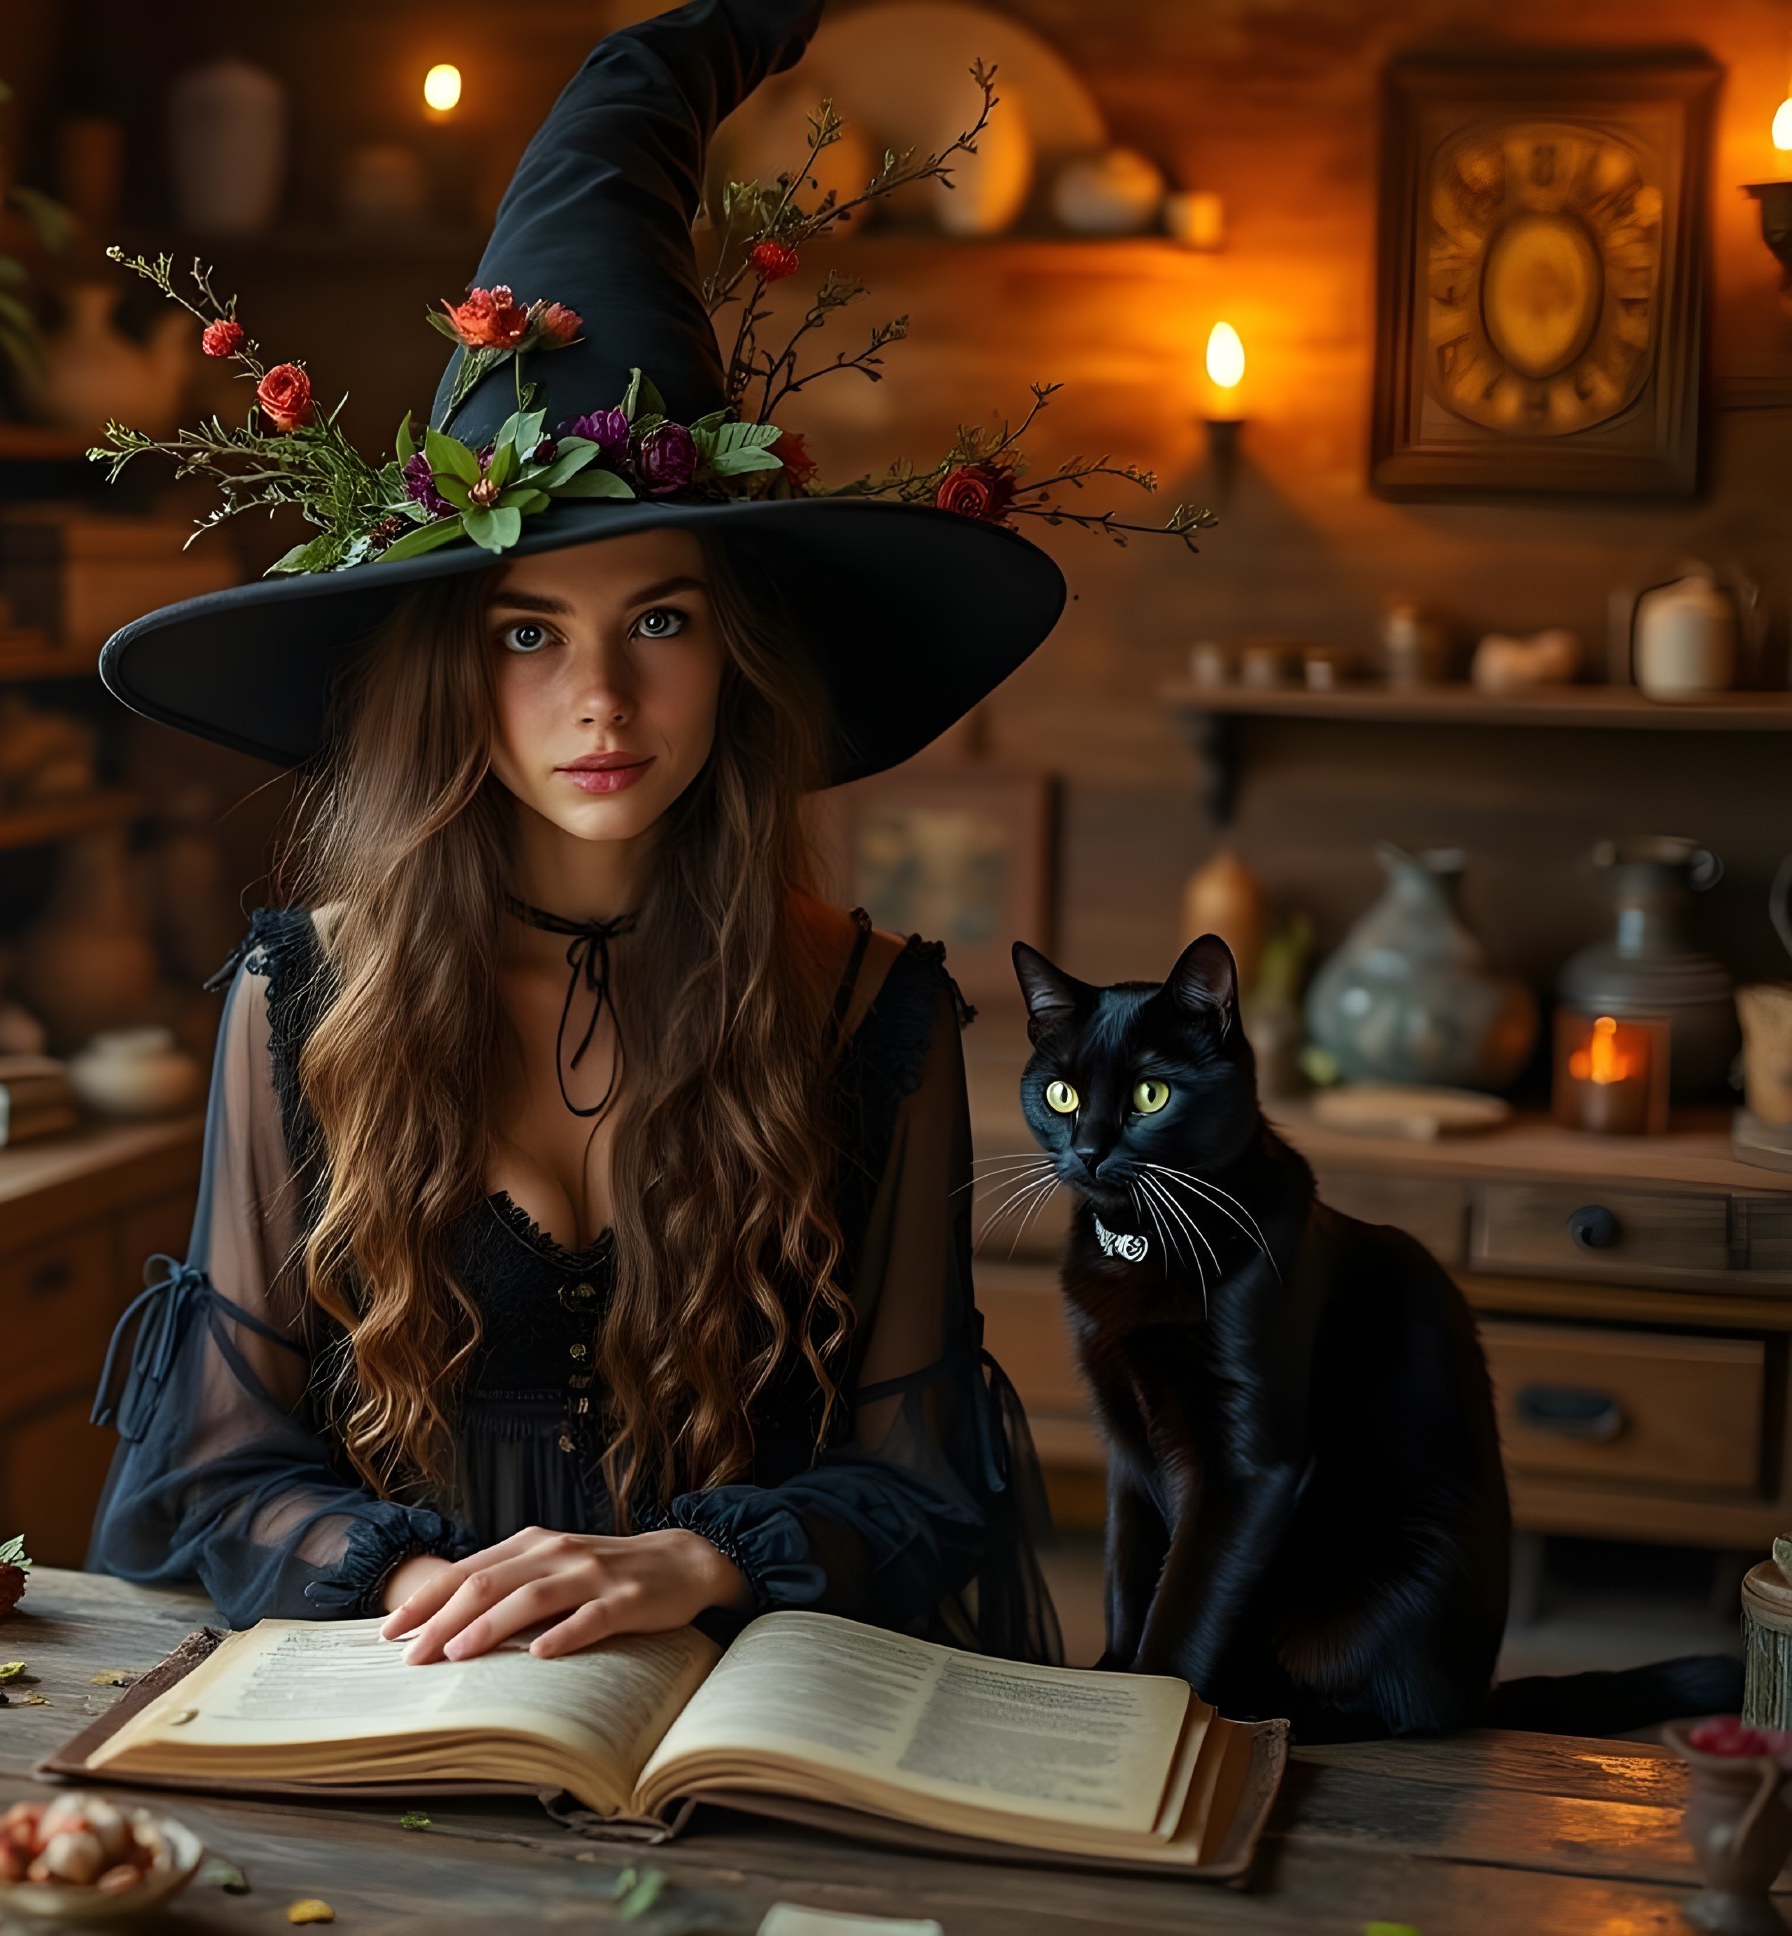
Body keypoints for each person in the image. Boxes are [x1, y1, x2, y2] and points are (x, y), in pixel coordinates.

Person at [84, 0, 1191, 1666]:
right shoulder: (302, 1000)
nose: (598, 698)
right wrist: (420, 1589)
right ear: (447, 673)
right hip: (408, 1699)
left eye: (658, 622)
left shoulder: (869, 1015)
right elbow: (216, 1473)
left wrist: (692, 1563)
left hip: (745, 1713)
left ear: (736, 658)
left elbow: (920, 1485)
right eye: (526, 633)